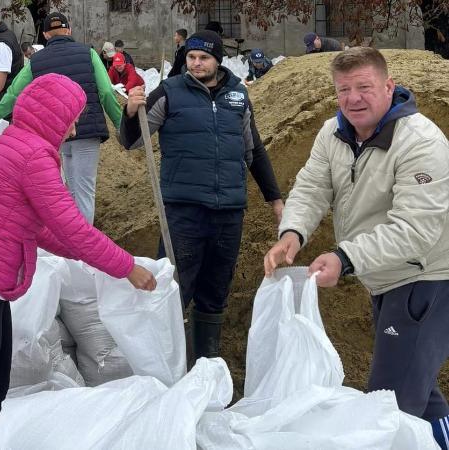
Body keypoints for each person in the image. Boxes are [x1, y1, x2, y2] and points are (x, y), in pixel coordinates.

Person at [0, 72, 156, 450]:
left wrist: (88, 259)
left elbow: (37, 230)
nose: (76, 125)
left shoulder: (18, 144)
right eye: (73, 117)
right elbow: (76, 231)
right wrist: (126, 267)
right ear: (53, 118)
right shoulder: (33, 158)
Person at [263, 46, 449, 448]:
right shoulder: (333, 133)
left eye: (363, 87)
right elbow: (312, 187)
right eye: (343, 89)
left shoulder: (420, 142)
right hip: (383, 275)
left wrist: (344, 258)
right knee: (418, 391)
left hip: (427, 277)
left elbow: (415, 230)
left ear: (389, 87)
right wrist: (291, 234)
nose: (353, 98)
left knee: (388, 404)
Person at [118, 30, 283, 360]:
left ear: (217, 60)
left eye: (203, 58)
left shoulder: (237, 94)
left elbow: (254, 151)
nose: (195, 63)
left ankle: (206, 362)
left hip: (229, 211)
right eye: (191, 57)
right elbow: (133, 142)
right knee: (174, 289)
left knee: (216, 289)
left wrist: (275, 199)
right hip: (183, 212)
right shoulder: (170, 92)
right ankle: (167, 365)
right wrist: (130, 114)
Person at [0, 12, 123, 223]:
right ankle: (82, 246)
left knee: (68, 188)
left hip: (57, 133)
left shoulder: (36, 61)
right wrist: (121, 124)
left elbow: (13, 93)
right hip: (87, 129)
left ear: (46, 36)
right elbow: (105, 92)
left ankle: (72, 243)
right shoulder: (88, 53)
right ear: (69, 31)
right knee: (84, 190)